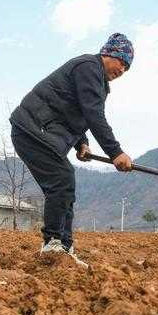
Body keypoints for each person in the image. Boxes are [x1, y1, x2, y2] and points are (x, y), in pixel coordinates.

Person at [9, 33, 134, 266]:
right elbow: (93, 114)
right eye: (122, 62)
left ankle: (63, 246)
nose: (123, 70)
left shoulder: (98, 81)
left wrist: (81, 143)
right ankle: (53, 243)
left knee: (65, 183)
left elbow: (75, 112)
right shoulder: (88, 67)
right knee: (62, 179)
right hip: (31, 128)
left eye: (127, 68)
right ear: (109, 53)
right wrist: (115, 152)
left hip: (39, 131)